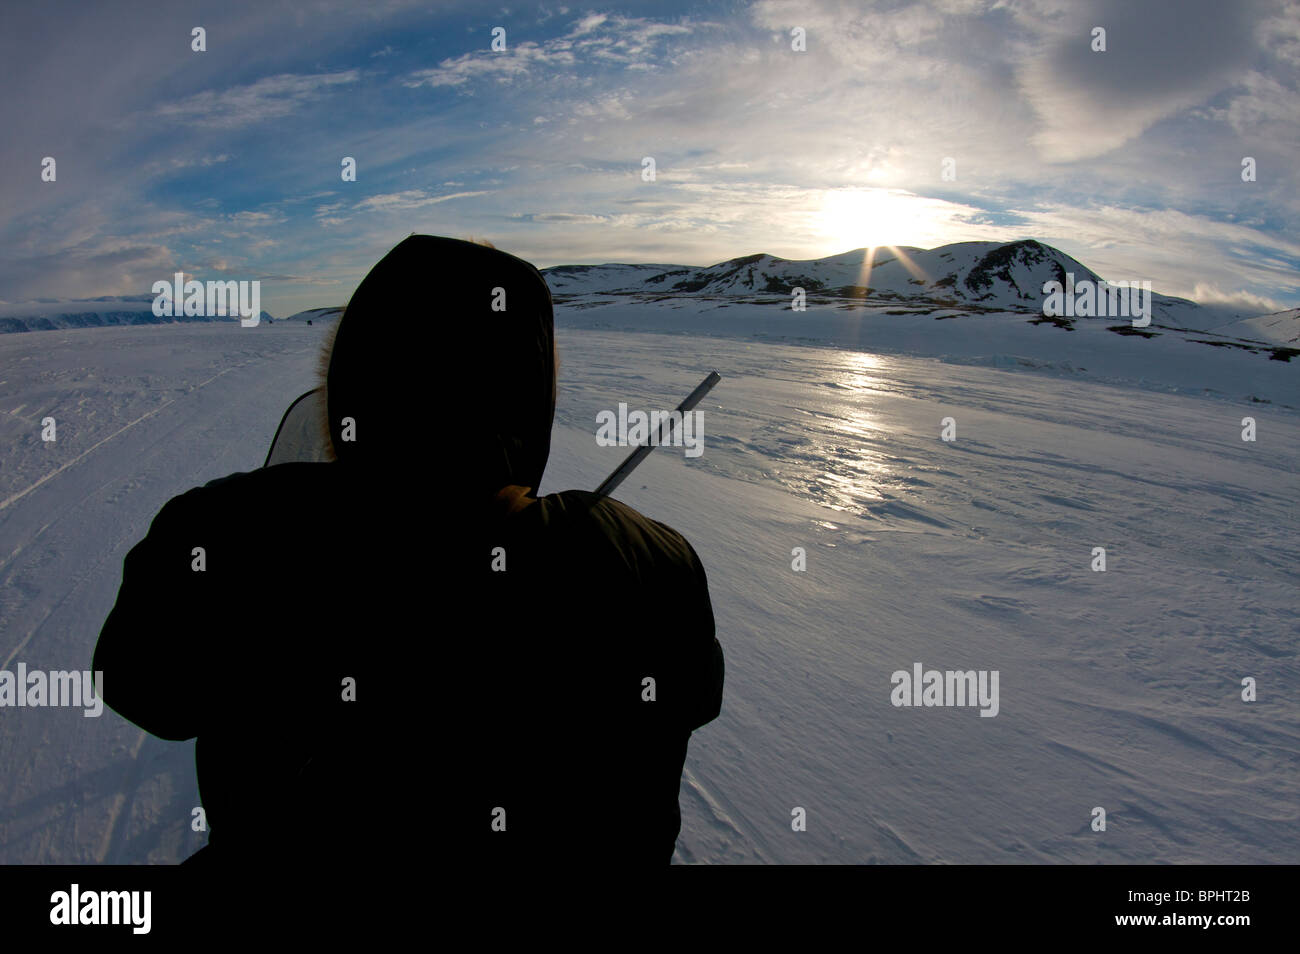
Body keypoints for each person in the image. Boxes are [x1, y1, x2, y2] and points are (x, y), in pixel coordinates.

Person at [93, 235, 724, 872]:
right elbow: (694, 696)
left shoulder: (225, 534)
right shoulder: (651, 564)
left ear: (354, 378)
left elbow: (143, 687)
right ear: (528, 393)